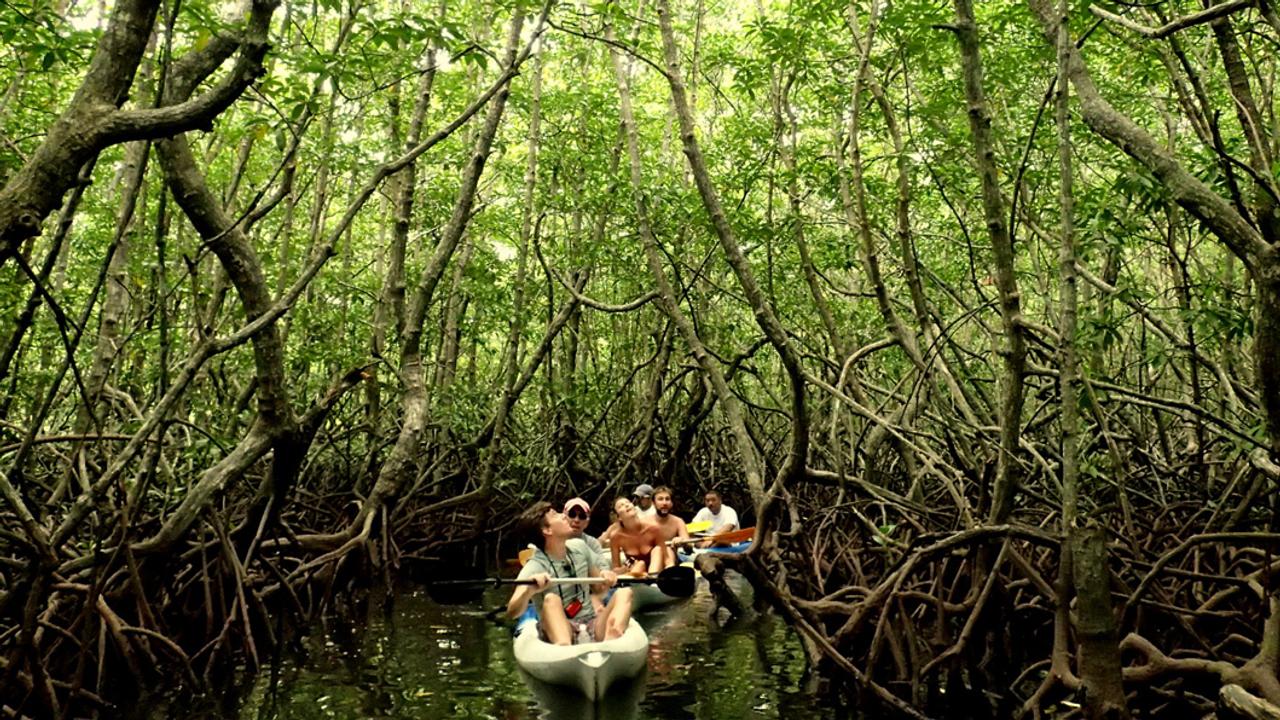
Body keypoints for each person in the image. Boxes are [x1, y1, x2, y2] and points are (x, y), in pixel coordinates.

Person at [506, 501, 633, 645]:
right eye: (556, 515)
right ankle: (564, 648)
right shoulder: (535, 566)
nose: (564, 516)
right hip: (559, 629)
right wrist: (529, 590)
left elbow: (599, 589)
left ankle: (612, 641)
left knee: (625, 593)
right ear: (547, 530)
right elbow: (512, 612)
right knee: (551, 599)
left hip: (591, 623)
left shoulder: (580, 547)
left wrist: (606, 576)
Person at [610, 496, 668, 575]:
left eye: (628, 503)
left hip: (657, 572)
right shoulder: (616, 536)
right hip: (637, 573)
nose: (626, 505)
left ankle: (652, 577)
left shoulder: (653, 528)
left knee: (657, 549)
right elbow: (615, 568)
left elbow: (667, 558)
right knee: (640, 564)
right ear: (619, 517)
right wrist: (625, 568)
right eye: (621, 506)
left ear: (635, 508)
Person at [650, 485, 688, 567]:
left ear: (671, 503)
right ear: (653, 503)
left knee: (668, 549)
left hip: (672, 560)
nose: (664, 503)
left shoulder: (678, 521)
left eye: (667, 499)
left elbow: (689, 547)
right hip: (650, 560)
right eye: (660, 499)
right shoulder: (644, 522)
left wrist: (682, 541)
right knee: (658, 550)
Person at [564, 497, 608, 567]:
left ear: (587, 523)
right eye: (572, 514)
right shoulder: (552, 540)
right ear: (564, 517)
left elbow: (603, 567)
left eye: (582, 516)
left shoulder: (592, 543)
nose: (576, 520)